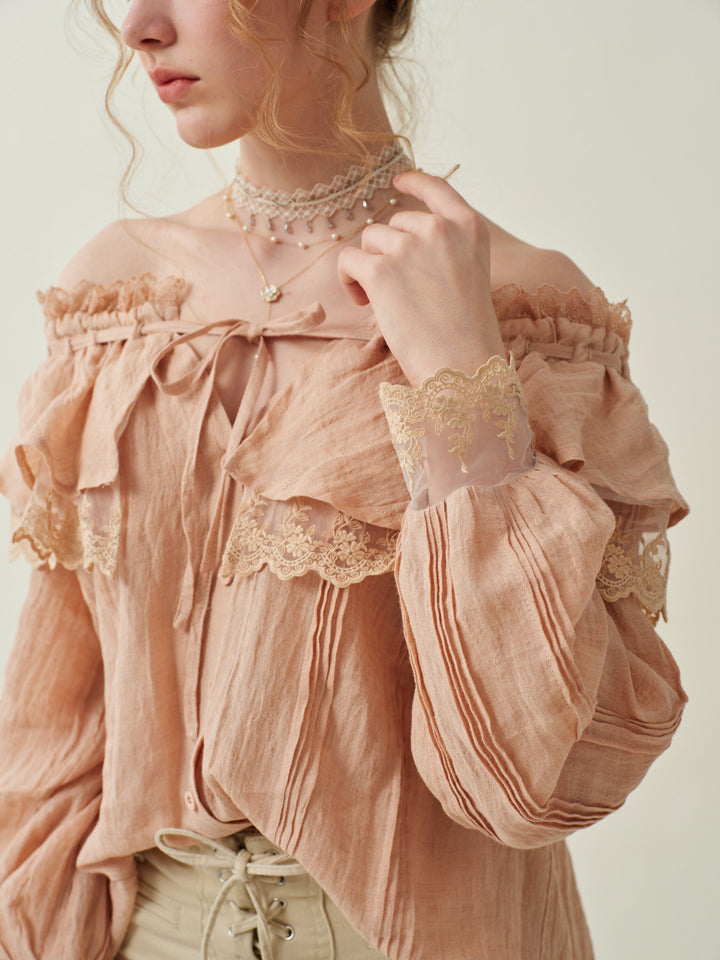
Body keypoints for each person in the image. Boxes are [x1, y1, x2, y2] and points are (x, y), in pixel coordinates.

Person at [0, 1, 689, 958]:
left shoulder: (529, 313)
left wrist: (458, 371)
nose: (141, 27)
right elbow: (57, 722)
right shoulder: (120, 304)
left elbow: (536, 779)